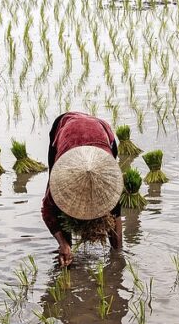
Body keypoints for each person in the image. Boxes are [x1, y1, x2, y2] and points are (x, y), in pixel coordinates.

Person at [42, 112, 123, 267]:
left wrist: (118, 255)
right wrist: (63, 243)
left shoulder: (110, 180)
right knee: (59, 205)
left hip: (101, 130)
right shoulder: (61, 177)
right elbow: (48, 211)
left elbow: (115, 211)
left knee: (111, 204)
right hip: (66, 127)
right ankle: (67, 250)